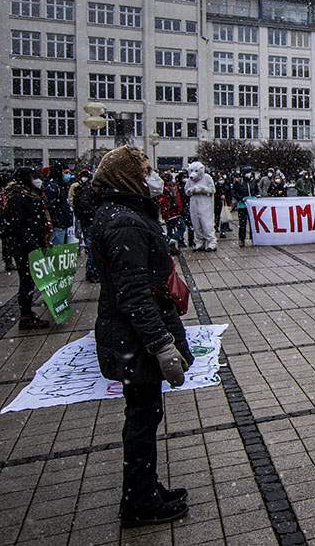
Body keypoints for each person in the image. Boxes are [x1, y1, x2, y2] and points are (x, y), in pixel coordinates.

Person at [88, 145, 192, 527]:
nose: (154, 176)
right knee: (143, 419)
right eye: (146, 169)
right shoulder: (124, 221)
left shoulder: (125, 214)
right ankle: (139, 501)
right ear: (127, 177)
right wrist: (161, 344)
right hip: (134, 340)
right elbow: (133, 292)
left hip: (131, 338)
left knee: (146, 414)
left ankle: (145, 488)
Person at [0, 167, 52, 330]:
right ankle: (26, 315)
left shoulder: (22, 193)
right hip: (25, 245)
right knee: (27, 280)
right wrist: (32, 242)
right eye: (31, 176)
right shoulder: (18, 196)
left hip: (26, 243)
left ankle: (27, 313)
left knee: (29, 280)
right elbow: (19, 224)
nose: (34, 179)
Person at [183, 161, 217, 251]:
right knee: (196, 224)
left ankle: (211, 242)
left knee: (206, 223)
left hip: (205, 204)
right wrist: (191, 190)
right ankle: (199, 241)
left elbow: (212, 190)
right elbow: (186, 191)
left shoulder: (207, 178)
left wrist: (202, 189)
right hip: (194, 204)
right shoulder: (190, 180)